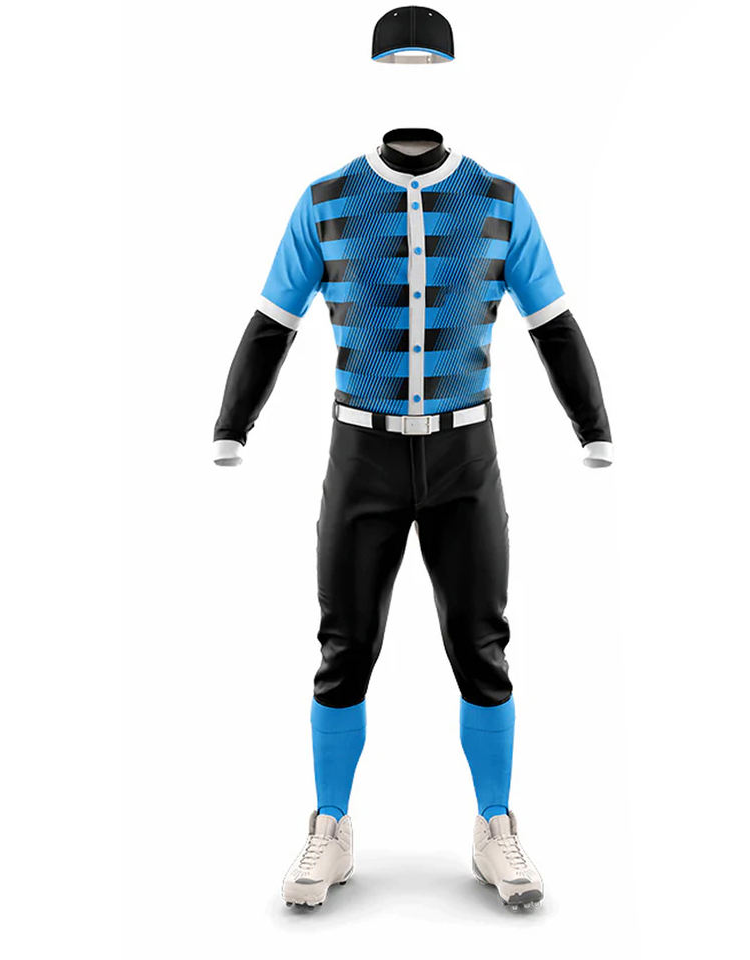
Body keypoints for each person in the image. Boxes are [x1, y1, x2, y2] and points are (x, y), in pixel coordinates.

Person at [212, 128, 612, 909]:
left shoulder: (499, 202)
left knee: (482, 641)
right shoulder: (327, 201)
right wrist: (233, 425)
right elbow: (273, 321)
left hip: (467, 459)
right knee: (345, 641)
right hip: (362, 457)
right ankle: (330, 826)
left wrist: (592, 427)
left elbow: (553, 322)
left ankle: (495, 825)